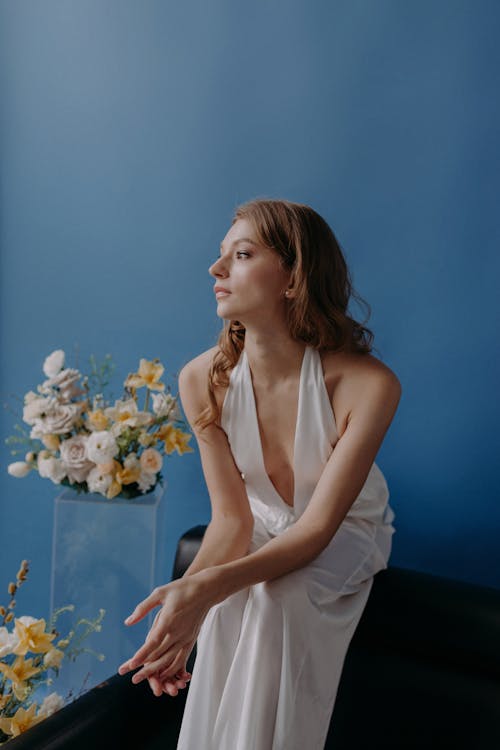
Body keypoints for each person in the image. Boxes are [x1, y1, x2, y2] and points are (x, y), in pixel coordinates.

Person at [118, 198, 402, 749]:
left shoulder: (369, 385)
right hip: (265, 525)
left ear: (294, 278)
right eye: (221, 255)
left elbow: (318, 530)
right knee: (224, 601)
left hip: (347, 530)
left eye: (242, 254)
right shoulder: (201, 378)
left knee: (276, 599)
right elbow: (230, 519)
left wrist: (202, 590)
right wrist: (186, 606)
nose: (216, 269)